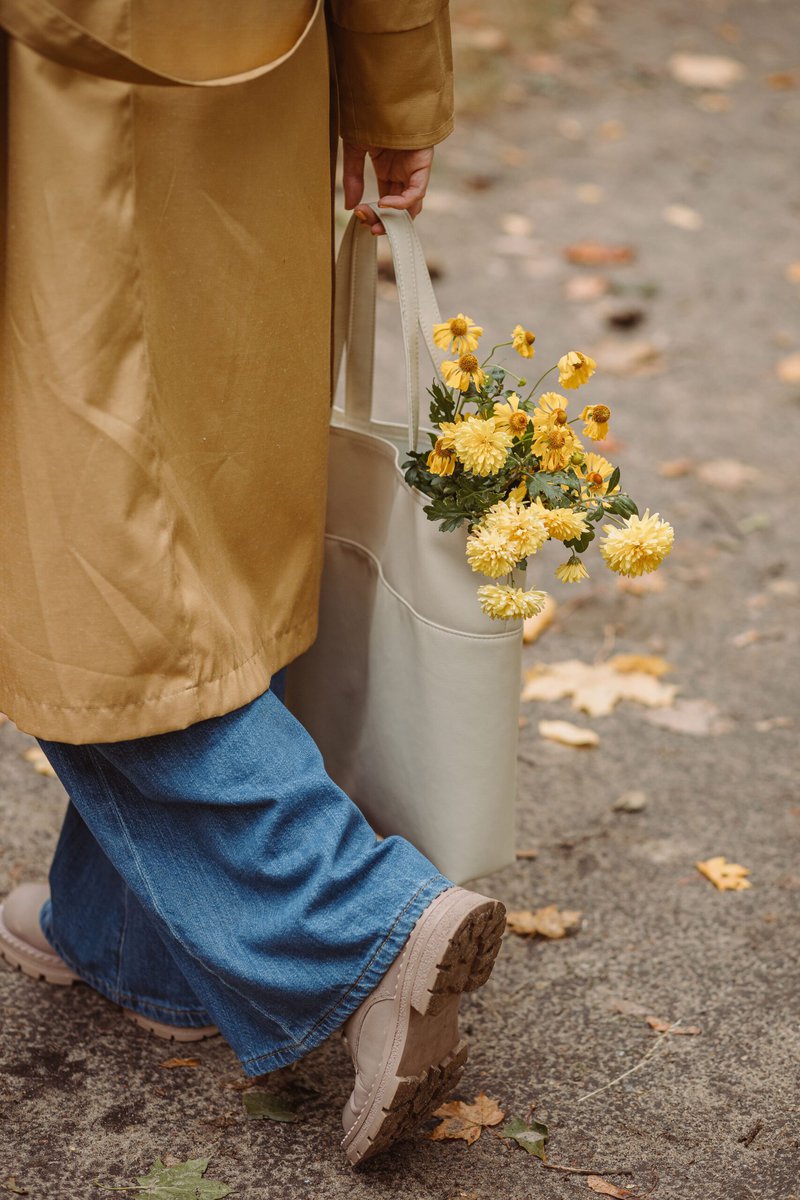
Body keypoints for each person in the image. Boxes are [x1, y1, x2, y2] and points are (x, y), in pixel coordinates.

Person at [0, 0, 506, 1166]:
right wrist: (393, 86)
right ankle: (135, 942)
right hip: (246, 62)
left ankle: (360, 928)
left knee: (77, 553)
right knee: (205, 493)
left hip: (52, 81)